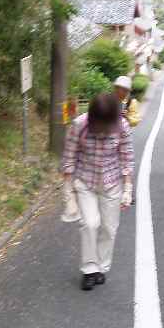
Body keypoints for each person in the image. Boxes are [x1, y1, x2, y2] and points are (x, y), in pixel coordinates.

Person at [61, 93, 134, 291]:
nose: (102, 130)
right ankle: (89, 269)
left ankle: (101, 267)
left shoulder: (122, 127)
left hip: (112, 183)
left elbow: (127, 158)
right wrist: (68, 195)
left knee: (109, 229)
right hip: (85, 182)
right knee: (90, 224)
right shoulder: (79, 125)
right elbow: (69, 159)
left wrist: (128, 188)